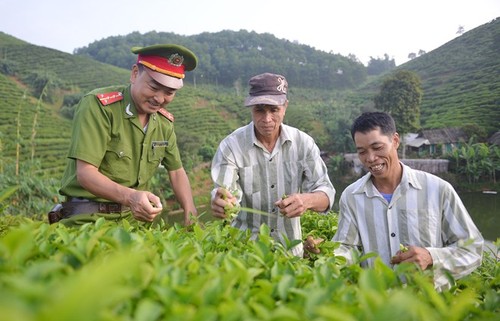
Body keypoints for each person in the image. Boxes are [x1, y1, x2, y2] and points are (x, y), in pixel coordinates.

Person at [332, 111, 484, 291]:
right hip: (377, 306)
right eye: (362, 152)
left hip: (429, 306)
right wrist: (327, 254)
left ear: (395, 141)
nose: (371, 158)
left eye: (377, 147)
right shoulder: (352, 196)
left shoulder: (438, 189)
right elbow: (348, 248)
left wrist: (431, 257)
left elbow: (472, 249)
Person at [52, 44, 198, 226]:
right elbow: (86, 173)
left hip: (135, 222)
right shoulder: (100, 107)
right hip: (87, 219)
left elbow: (176, 171)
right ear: (135, 74)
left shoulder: (164, 123)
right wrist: (131, 198)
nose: (160, 99)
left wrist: (190, 212)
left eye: (169, 92)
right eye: (153, 87)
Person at [210, 72, 336, 257]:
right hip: (245, 253)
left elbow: (326, 192)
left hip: (290, 252)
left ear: (285, 107)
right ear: (251, 108)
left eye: (274, 110)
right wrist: (223, 202)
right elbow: (227, 194)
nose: (267, 119)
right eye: (260, 110)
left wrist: (306, 201)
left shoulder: (303, 143)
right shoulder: (232, 146)